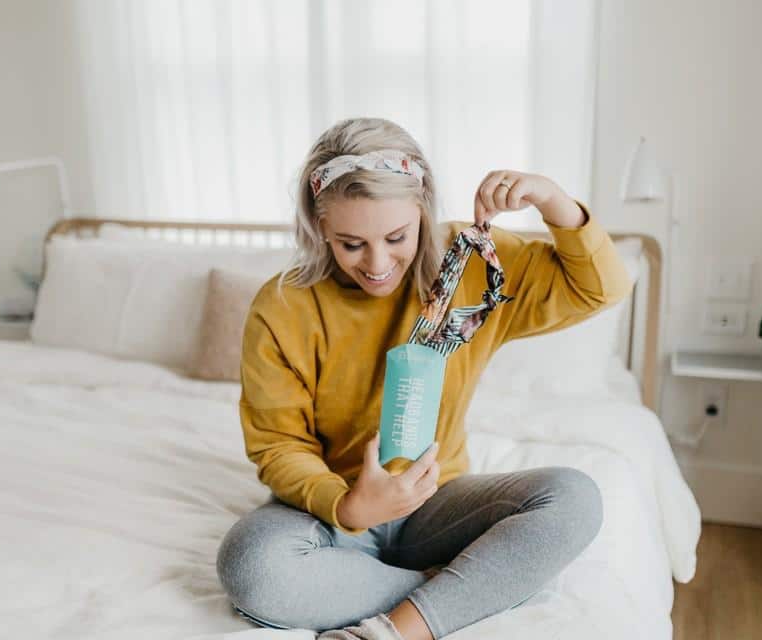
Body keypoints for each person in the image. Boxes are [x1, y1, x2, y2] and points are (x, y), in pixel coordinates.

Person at [216, 117, 633, 640]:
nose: (377, 264)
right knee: (250, 566)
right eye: (350, 244)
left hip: (437, 505)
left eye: (396, 237)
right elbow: (278, 446)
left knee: (575, 497)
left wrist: (555, 203)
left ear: (423, 210)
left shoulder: (473, 265)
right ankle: (455, 590)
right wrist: (347, 504)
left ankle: (404, 628)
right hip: (331, 513)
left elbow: (601, 288)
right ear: (319, 227)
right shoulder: (283, 307)